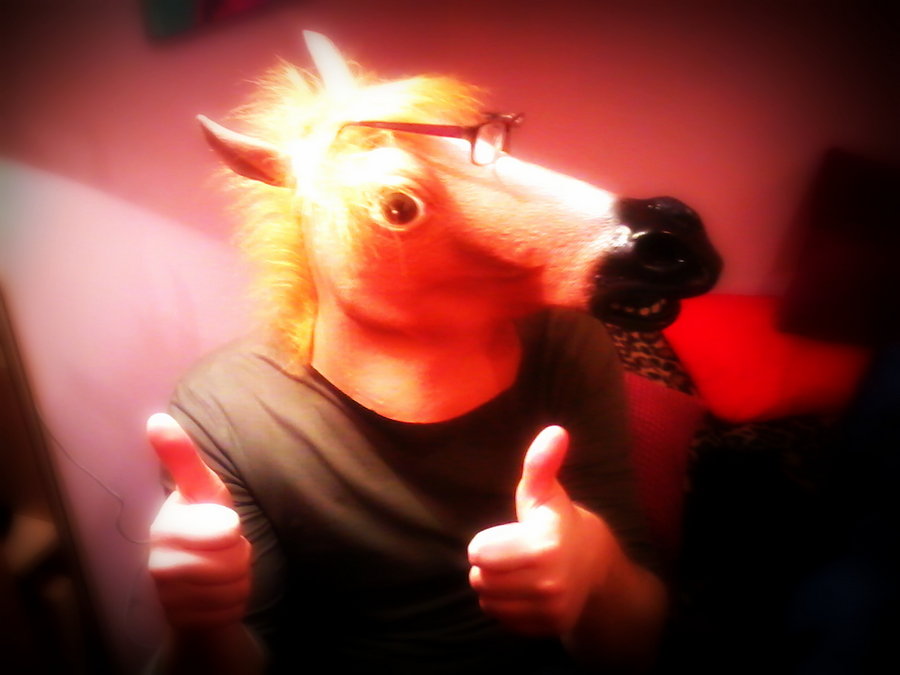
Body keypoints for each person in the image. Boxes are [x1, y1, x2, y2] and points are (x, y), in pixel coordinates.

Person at [147, 307, 668, 675]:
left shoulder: (566, 346)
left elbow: (638, 646)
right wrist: (200, 626)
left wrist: (595, 561)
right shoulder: (224, 404)